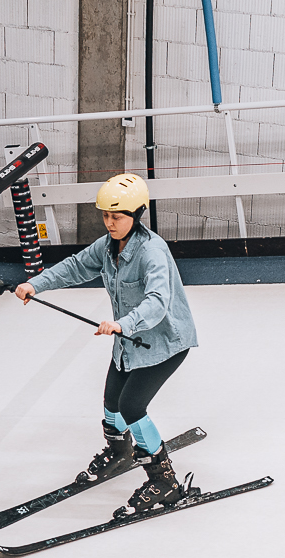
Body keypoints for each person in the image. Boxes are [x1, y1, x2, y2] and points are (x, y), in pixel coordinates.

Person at [15, 173, 199, 516]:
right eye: (106, 216)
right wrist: (36, 284)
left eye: (117, 216)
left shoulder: (152, 252)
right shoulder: (108, 246)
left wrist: (121, 324)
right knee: (111, 402)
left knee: (131, 406)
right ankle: (119, 451)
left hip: (163, 343)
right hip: (127, 342)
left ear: (136, 214)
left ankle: (165, 481)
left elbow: (158, 301)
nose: (110, 223)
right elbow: (76, 266)